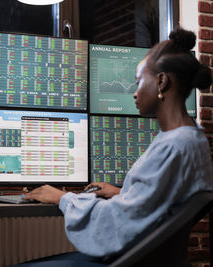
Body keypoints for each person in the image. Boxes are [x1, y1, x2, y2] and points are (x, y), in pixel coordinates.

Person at [17, 28, 213, 266]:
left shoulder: (175, 146)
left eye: (139, 81)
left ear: (161, 82)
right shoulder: (191, 139)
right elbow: (165, 204)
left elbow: (116, 220)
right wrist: (122, 193)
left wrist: (62, 198)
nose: (134, 93)